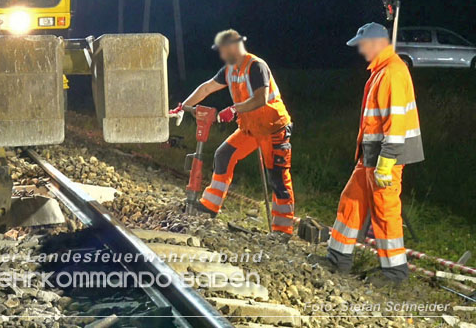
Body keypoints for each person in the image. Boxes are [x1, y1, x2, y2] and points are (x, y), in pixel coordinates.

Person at [320, 22, 423, 286]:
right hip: (372, 156)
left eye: (363, 45)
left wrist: (386, 163)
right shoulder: (381, 71)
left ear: (377, 43)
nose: (361, 50)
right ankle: (337, 259)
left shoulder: (392, 72)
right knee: (351, 200)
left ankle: (395, 274)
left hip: (386, 158)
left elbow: (396, 123)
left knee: (385, 211)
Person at [170, 29, 295, 237]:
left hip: (274, 128)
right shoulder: (229, 70)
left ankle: (282, 231)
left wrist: (234, 109)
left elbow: (260, 99)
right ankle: (209, 206)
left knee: (278, 178)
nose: (221, 54)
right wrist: (182, 107)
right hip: (251, 129)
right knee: (224, 155)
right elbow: (206, 88)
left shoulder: (256, 66)